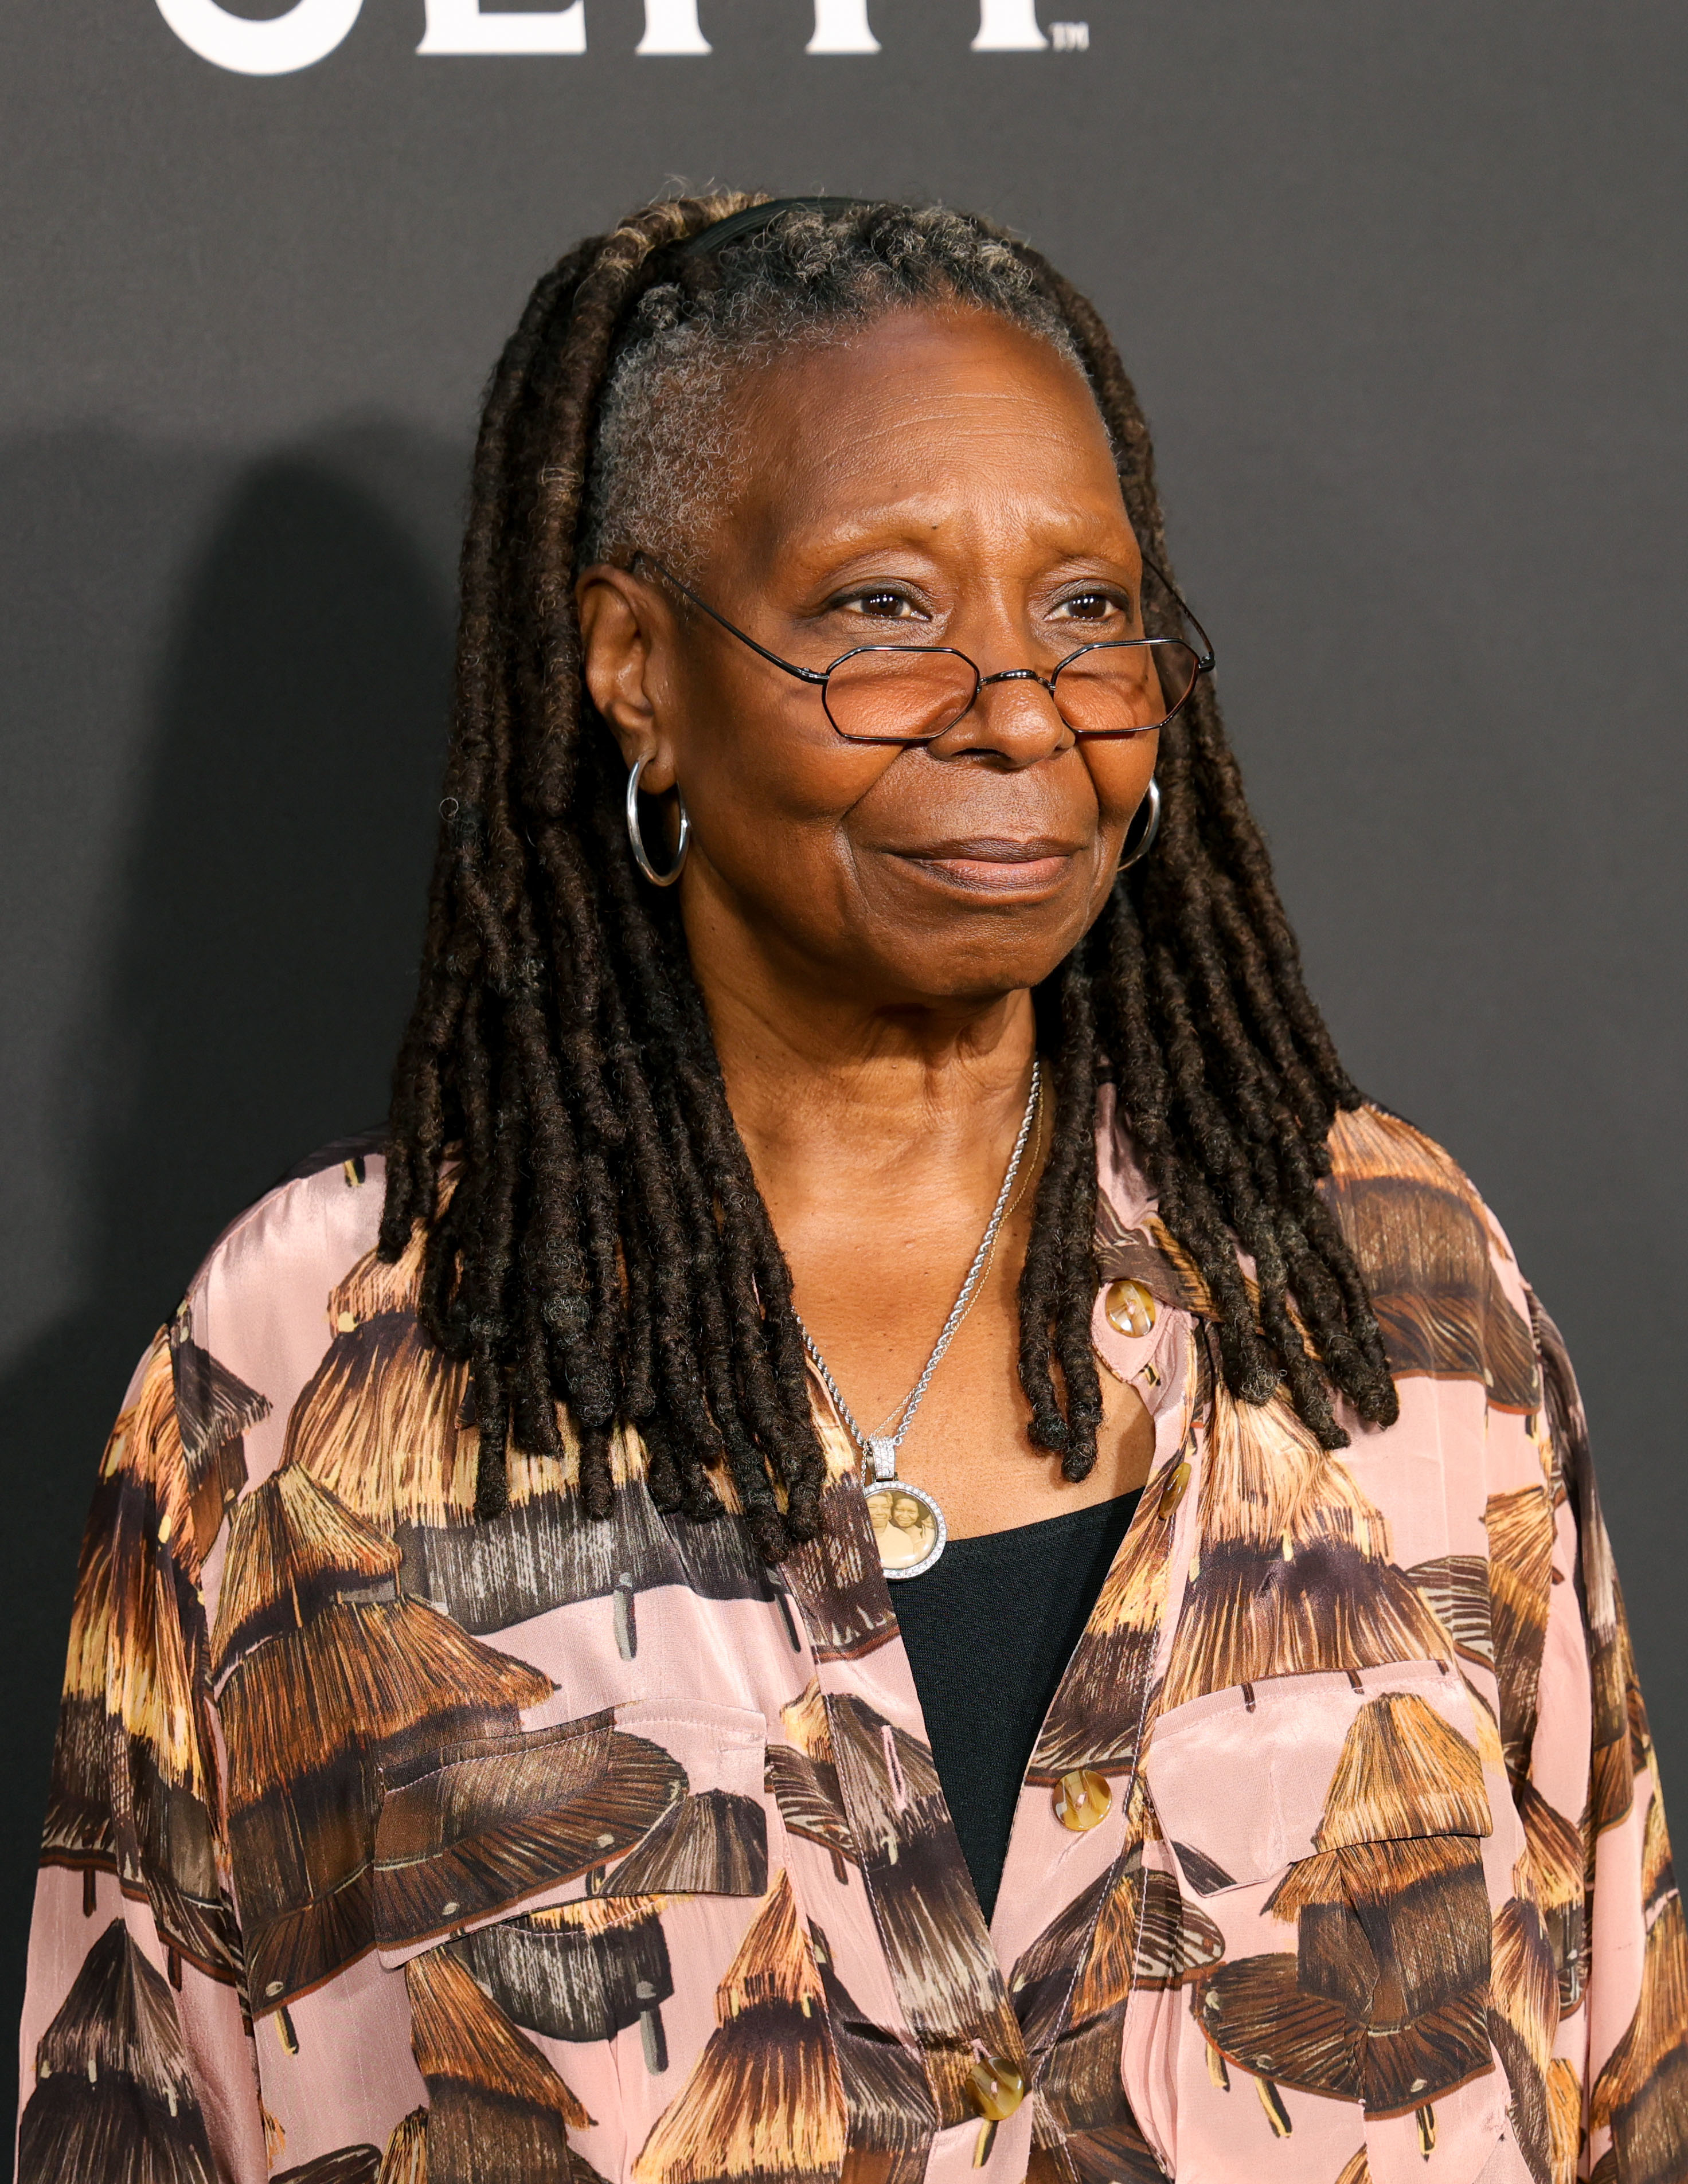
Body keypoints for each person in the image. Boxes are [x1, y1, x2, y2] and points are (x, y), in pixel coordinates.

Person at [16, 194, 1683, 2184]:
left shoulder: (1392, 1295)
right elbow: (133, 2113)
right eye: (884, 609)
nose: (1016, 705)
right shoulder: (318, 1356)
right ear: (637, 663)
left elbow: (1621, 2063)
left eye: (1089, 607)